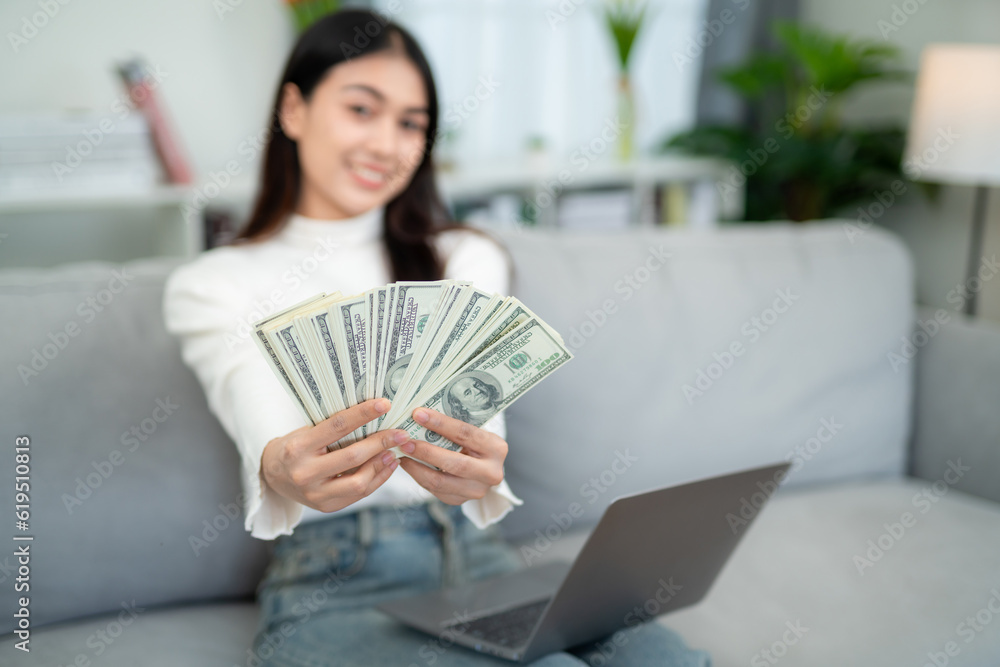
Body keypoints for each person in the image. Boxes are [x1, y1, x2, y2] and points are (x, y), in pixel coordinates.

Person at [163, 9, 712, 667]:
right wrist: (281, 464)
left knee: (666, 660)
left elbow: (476, 427)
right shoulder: (213, 282)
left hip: (481, 556)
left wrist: (478, 469)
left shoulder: (462, 258)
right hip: (335, 578)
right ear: (294, 109)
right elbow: (251, 404)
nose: (386, 144)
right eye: (361, 109)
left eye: (411, 124)